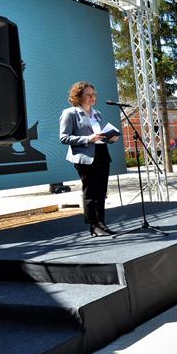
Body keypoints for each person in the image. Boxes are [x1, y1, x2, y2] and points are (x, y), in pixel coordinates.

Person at [59, 81, 117, 237]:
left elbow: (99, 135)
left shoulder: (97, 113)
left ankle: (102, 223)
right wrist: (88, 139)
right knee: (91, 192)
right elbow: (64, 138)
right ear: (78, 96)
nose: (92, 97)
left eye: (94, 94)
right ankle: (93, 225)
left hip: (102, 154)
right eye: (88, 95)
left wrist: (109, 138)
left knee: (101, 192)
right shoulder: (70, 113)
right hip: (85, 157)